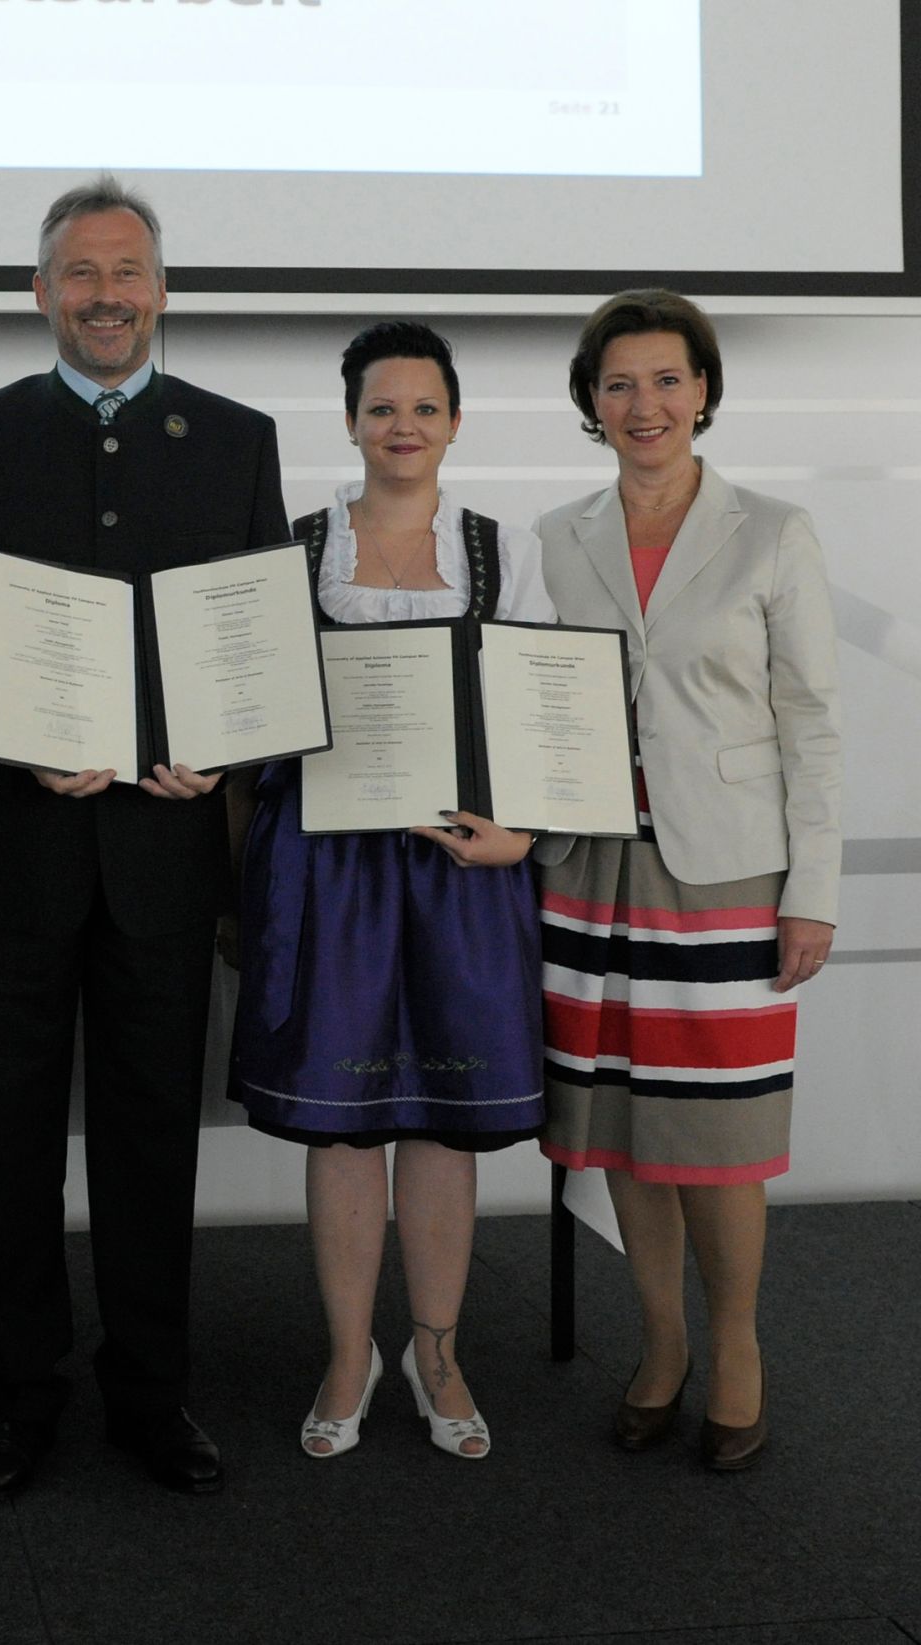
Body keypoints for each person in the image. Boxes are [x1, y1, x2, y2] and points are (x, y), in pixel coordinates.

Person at [0, 176, 288, 1500]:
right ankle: (17, 1396)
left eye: (129, 272)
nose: (107, 294)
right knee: (6, 1142)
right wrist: (17, 742)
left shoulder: (238, 440)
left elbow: (253, 648)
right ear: (40, 293)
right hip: (16, 849)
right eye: (81, 273)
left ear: (164, 291)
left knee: (150, 1142)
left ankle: (152, 1393)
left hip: (167, 858)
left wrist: (229, 744)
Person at [228, 321, 554, 1463]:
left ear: (452, 421)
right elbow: (248, 712)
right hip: (329, 869)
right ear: (352, 420)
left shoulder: (498, 550)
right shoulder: (296, 546)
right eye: (380, 408)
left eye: (422, 407)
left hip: (459, 867)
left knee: (443, 1125)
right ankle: (343, 1346)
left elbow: (541, 717)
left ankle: (438, 1345)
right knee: (340, 1128)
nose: (401, 426)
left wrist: (525, 837)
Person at [536, 289, 841, 1470]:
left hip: (725, 873)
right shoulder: (556, 538)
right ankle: (657, 1344)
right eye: (618, 384)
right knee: (619, 1129)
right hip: (587, 869)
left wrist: (809, 885)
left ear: (703, 390)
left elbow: (811, 718)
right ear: (590, 403)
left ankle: (736, 1347)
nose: (643, 404)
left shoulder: (772, 531)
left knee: (714, 1134)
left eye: (665, 380)